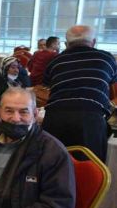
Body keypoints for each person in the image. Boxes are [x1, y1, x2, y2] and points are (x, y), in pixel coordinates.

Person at [42, 25, 117, 161]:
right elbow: (112, 81)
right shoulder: (106, 58)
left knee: (52, 163)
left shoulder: (55, 61)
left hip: (55, 116)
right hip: (90, 117)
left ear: (66, 44)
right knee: (90, 165)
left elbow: (47, 84)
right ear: (93, 42)